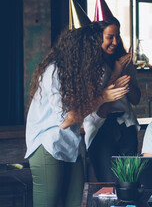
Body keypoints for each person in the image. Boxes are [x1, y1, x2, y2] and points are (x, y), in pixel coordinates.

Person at [25, 24, 128, 207]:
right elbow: (66, 120)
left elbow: (93, 113)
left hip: (70, 145)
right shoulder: (54, 72)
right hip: (48, 145)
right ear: (82, 51)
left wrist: (112, 81)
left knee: (76, 202)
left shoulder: (78, 74)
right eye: (94, 50)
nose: (97, 55)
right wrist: (103, 97)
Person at [83, 0, 141, 182]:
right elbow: (98, 107)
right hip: (101, 128)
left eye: (117, 36)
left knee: (130, 181)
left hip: (126, 126)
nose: (115, 42)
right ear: (97, 37)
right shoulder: (87, 65)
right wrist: (115, 73)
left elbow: (135, 99)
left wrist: (126, 76)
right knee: (108, 183)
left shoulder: (123, 60)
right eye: (110, 37)